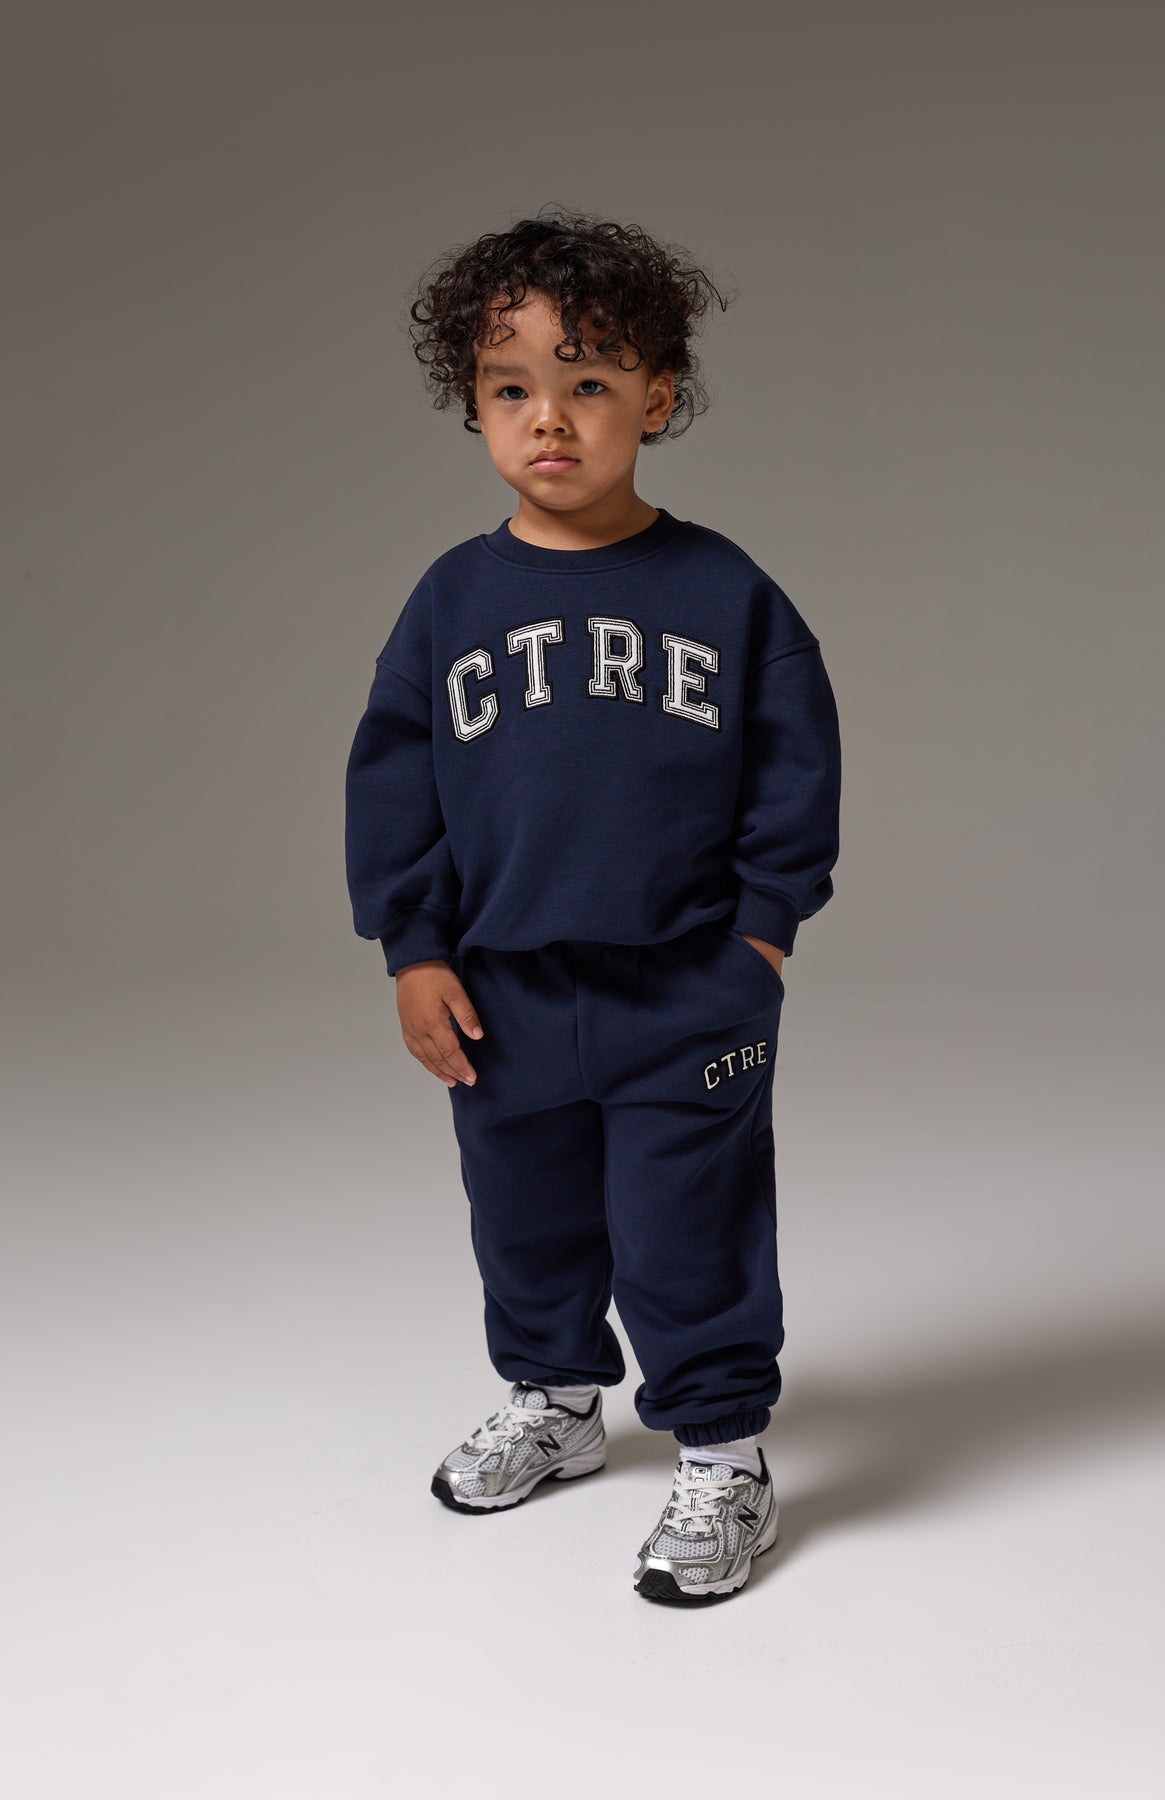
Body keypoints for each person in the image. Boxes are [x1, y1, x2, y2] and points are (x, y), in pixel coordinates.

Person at [344, 207, 841, 1603]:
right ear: (474, 404)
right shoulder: (451, 600)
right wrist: (413, 949)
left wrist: (760, 934)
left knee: (690, 1225)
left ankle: (724, 1453)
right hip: (502, 988)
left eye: (589, 382)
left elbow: (797, 769)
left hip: (687, 987)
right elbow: (394, 781)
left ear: (657, 399)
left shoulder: (725, 592)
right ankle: (558, 1403)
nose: (549, 419)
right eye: (512, 388)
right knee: (526, 1218)